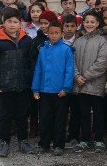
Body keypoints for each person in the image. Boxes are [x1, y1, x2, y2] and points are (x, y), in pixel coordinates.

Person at [0, 7, 37, 157]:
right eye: (9, 21)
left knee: (22, 115)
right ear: (3, 22)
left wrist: (30, 81)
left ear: (20, 23)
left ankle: (23, 141)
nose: (12, 24)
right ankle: (4, 142)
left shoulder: (27, 40)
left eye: (15, 21)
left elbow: (32, 62)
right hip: (4, 87)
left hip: (22, 86)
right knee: (5, 116)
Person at [32, 19, 76, 155]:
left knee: (60, 119)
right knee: (45, 118)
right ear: (48, 34)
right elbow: (38, 69)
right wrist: (35, 89)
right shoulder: (43, 50)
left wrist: (66, 88)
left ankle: (58, 144)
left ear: (62, 34)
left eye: (57, 33)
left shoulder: (66, 50)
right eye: (51, 33)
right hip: (45, 91)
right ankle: (44, 143)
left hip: (59, 92)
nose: (54, 35)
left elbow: (69, 70)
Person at [72, 10, 107, 153]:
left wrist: (85, 76)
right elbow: (72, 62)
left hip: (96, 84)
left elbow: (102, 63)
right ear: (83, 23)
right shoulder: (78, 41)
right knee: (83, 113)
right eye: (87, 21)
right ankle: (85, 140)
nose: (89, 24)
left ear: (97, 23)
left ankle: (99, 139)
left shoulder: (102, 41)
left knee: (98, 112)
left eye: (92, 22)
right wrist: (77, 76)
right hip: (80, 84)